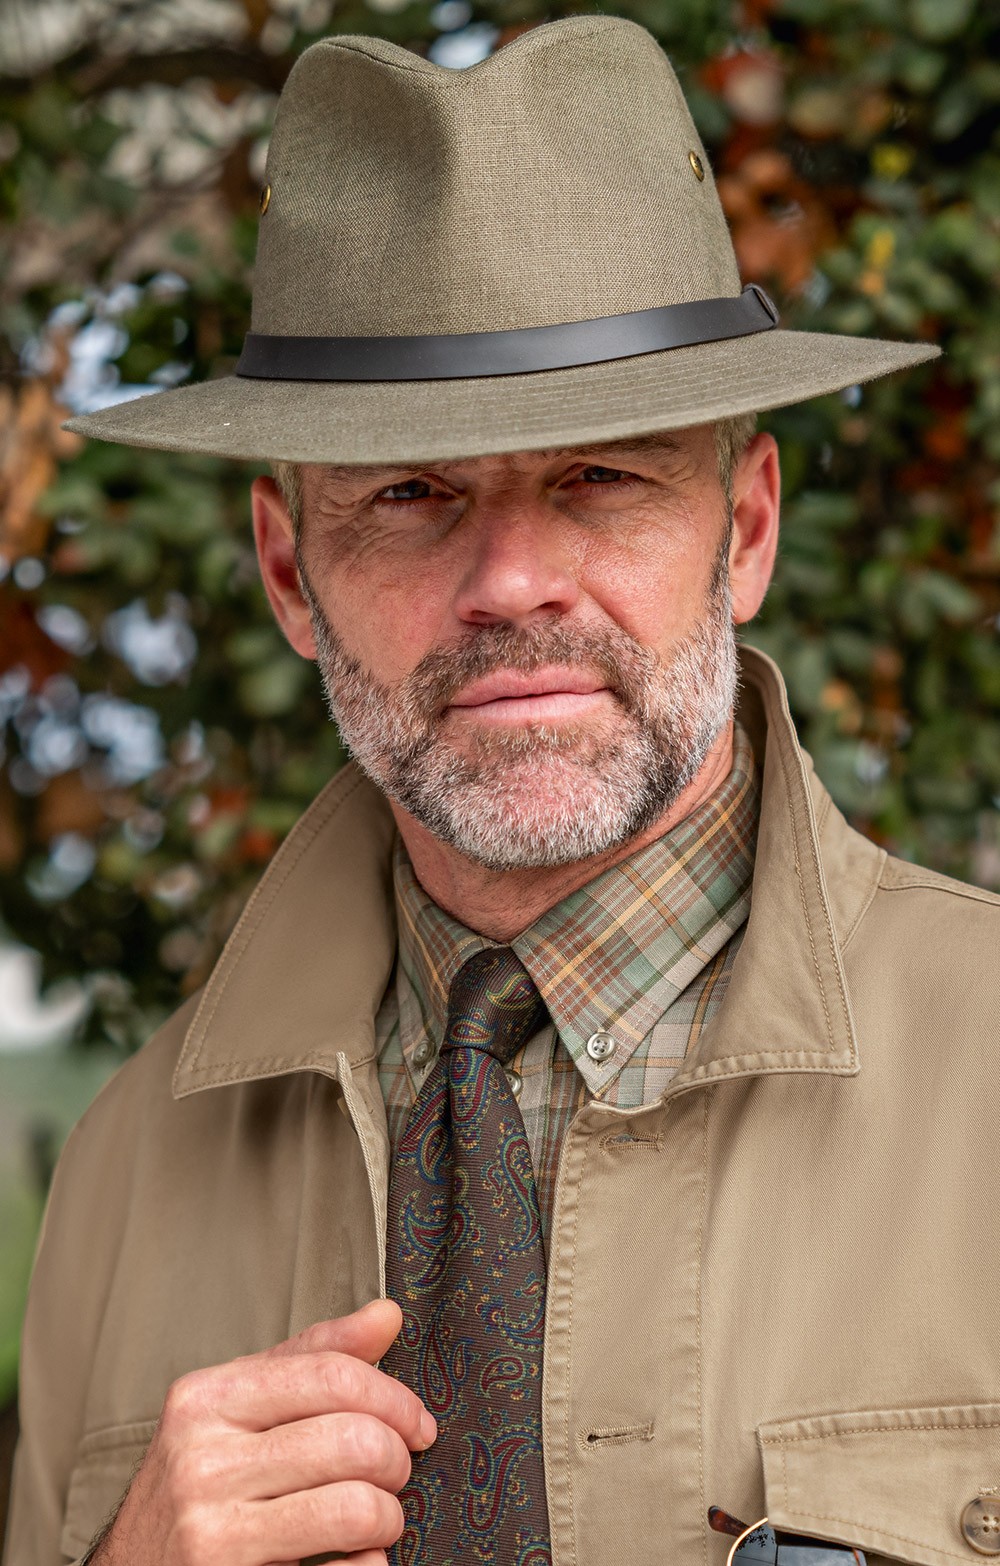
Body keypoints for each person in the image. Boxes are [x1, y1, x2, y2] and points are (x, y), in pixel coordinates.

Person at [6, 16, 1000, 1566]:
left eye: (603, 474)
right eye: (410, 493)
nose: (511, 579)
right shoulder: (126, 1175)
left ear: (744, 531)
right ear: (289, 567)